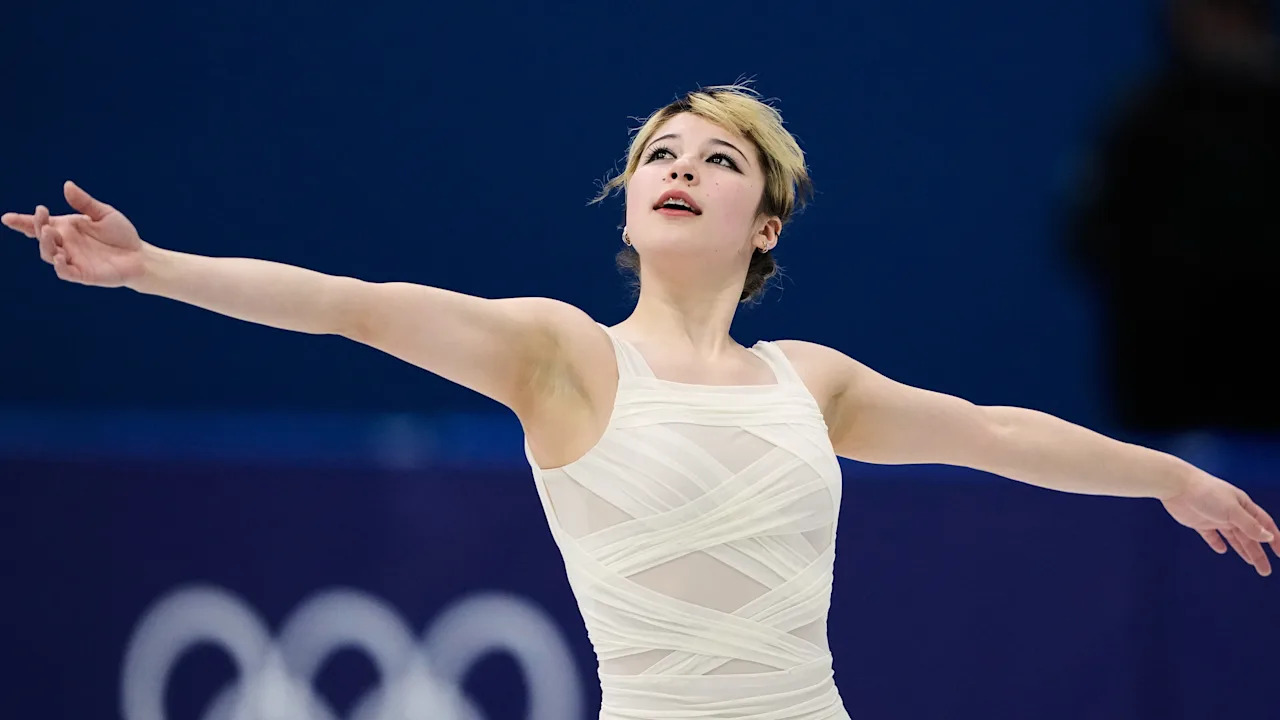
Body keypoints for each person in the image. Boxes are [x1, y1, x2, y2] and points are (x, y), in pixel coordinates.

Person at [6, 84, 1277, 720]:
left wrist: (1162, 473)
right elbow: (349, 301)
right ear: (626, 202)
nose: (679, 168)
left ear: (760, 221)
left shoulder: (809, 382)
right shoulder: (561, 357)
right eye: (658, 155)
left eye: (715, 159)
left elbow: (997, 436)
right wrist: (151, 268)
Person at [1071, 0, 1280, 431]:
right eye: (1190, 12)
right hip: (1171, 356)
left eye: (1219, 11)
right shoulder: (1146, 113)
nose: (1202, 23)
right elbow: (1092, 231)